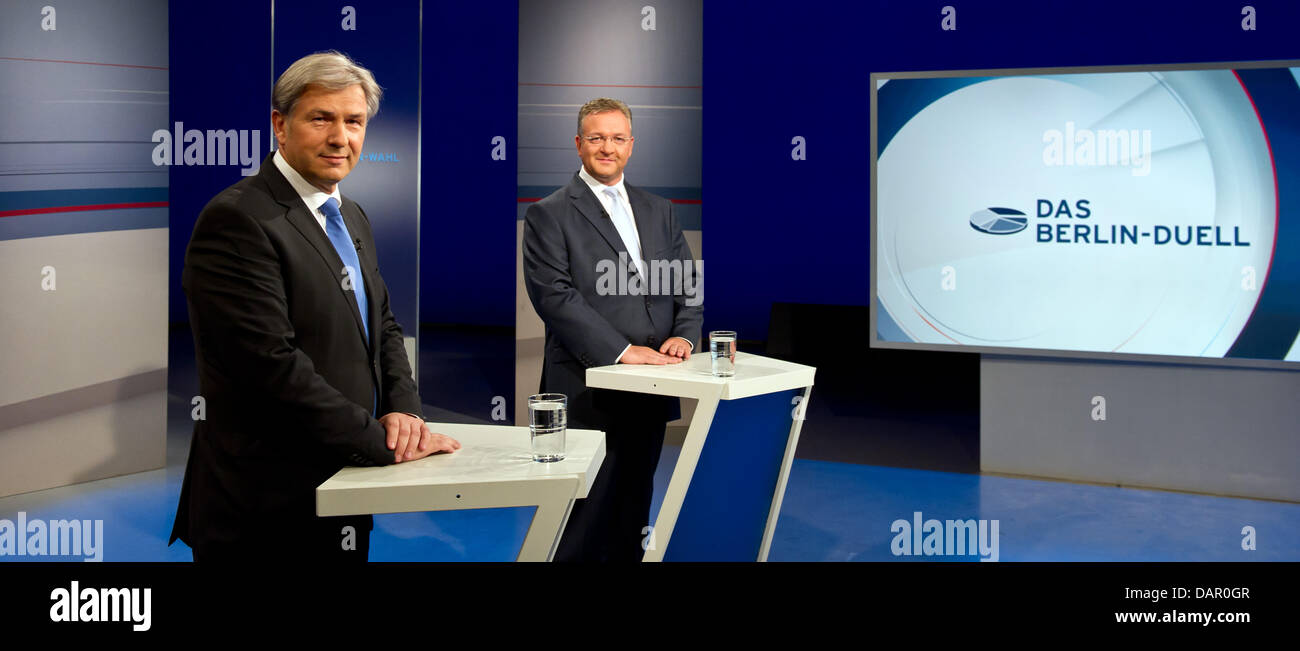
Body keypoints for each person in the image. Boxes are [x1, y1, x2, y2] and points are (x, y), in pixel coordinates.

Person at [169, 51, 459, 562]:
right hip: (263, 507)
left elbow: (383, 328)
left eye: (354, 121)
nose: (340, 137)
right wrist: (380, 441)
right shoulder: (237, 219)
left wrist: (404, 412)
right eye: (321, 118)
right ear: (280, 126)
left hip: (343, 487)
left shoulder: (351, 215)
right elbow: (269, 368)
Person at [523, 97, 703, 561]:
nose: (608, 147)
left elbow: (687, 282)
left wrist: (684, 336)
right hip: (589, 388)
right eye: (597, 138)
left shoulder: (660, 209)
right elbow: (554, 297)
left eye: (618, 138)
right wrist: (623, 351)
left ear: (631, 145)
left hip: (654, 384)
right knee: (583, 515)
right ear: (579, 143)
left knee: (633, 505)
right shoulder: (550, 213)